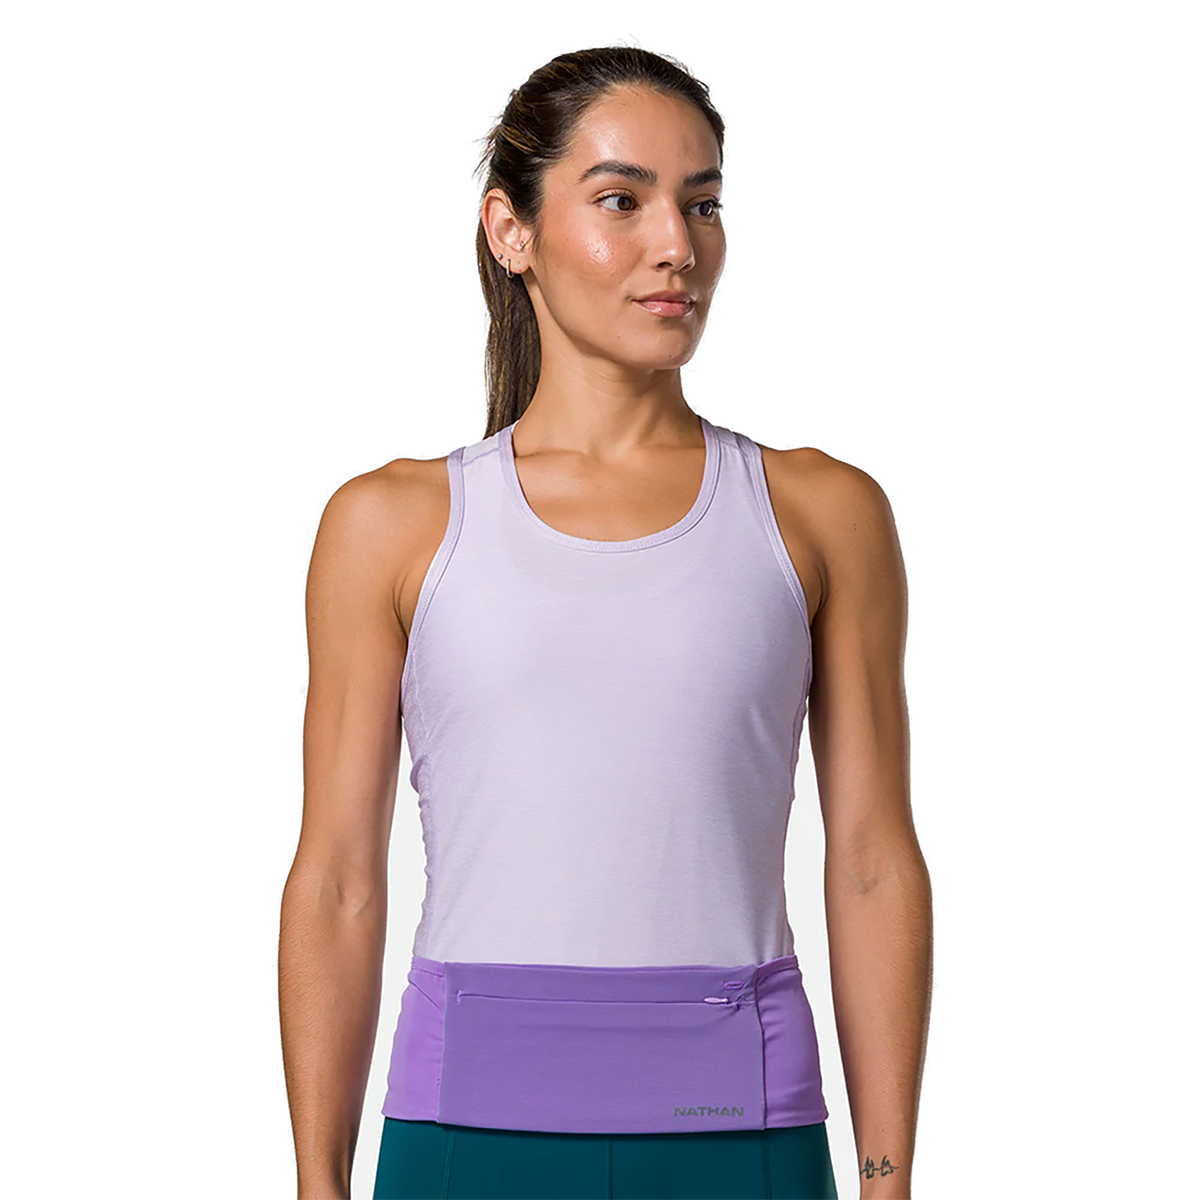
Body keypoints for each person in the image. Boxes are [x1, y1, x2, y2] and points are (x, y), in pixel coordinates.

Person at [278, 45, 933, 1200]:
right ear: (511, 230)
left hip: (742, 1134)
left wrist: (887, 1178)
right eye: (621, 201)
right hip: (465, 1135)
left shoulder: (822, 513)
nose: (676, 244)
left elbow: (874, 862)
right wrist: (317, 1185)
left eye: (702, 204)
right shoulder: (391, 524)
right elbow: (338, 876)